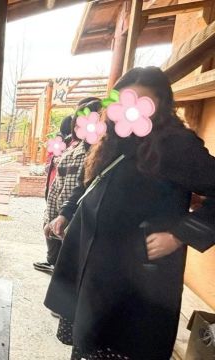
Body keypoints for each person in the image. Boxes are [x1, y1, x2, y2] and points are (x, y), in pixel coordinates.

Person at [44, 67, 215, 360]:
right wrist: (67, 213)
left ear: (159, 105)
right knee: (90, 345)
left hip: (140, 281)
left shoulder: (176, 146)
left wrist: (179, 234)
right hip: (97, 270)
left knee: (126, 345)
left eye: (140, 101)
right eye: (123, 100)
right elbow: (92, 185)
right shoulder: (113, 140)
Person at [34, 98, 101, 274]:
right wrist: (51, 218)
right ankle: (54, 263)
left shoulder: (109, 156)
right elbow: (57, 191)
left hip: (92, 232)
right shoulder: (71, 155)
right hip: (66, 222)